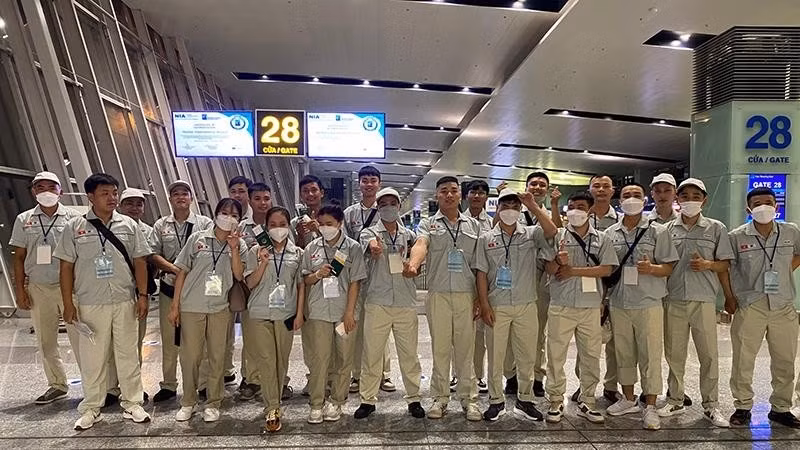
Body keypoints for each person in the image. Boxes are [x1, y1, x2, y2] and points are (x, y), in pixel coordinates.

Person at [54, 173, 152, 430]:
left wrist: (143, 296)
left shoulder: (129, 225)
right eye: (105, 193)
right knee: (93, 358)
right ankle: (91, 408)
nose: (112, 198)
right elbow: (66, 267)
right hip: (90, 301)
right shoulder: (74, 227)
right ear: (90, 197)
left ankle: (132, 402)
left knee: (128, 354)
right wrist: (68, 303)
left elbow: (140, 261)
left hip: (124, 299)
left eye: (114, 193)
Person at [474, 189, 557, 422]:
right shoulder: (486, 239)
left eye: (514, 207)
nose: (509, 211)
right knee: (496, 355)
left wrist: (533, 205)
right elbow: (481, 273)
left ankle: (525, 400)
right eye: (505, 206)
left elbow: (552, 231)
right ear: (497, 209)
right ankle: (496, 401)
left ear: (520, 210)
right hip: (497, 304)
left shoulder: (531, 234)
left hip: (526, 303)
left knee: (527, 355)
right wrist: (484, 304)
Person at [721, 187, 800, 428]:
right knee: (743, 359)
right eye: (757, 204)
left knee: (785, 360)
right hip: (750, 305)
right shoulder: (736, 237)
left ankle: (781, 408)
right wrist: (730, 297)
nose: (763, 207)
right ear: (749, 209)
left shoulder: (791, 231)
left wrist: (785, 272)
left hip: (783, 305)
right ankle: (743, 406)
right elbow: (725, 267)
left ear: (777, 206)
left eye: (768, 202)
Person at [405, 176, 482, 421]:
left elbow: (481, 265)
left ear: (460, 195)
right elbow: (421, 244)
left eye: (453, 191)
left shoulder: (474, 226)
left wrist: (480, 299)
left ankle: (469, 399)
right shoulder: (428, 224)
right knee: (440, 349)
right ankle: (440, 398)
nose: (449, 195)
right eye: (444, 191)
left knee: (466, 350)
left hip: (466, 294)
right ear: (436, 195)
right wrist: (414, 264)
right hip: (438, 294)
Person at [603, 182, 678, 430]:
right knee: (623, 352)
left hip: (648, 301)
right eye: (627, 195)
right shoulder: (610, 233)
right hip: (619, 301)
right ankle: (628, 398)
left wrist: (652, 268)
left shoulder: (658, 231)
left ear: (645, 200)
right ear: (620, 200)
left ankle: (650, 405)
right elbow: (607, 268)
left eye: (636, 195)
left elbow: (669, 267)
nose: (631, 199)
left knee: (650, 354)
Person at [659, 178, 731, 427]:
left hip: (704, 300)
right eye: (685, 196)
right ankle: (675, 399)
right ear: (677, 200)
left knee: (709, 354)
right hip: (674, 299)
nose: (690, 200)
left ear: (704, 200)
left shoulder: (716, 228)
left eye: (696, 196)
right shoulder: (667, 230)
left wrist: (708, 265)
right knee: (674, 353)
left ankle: (711, 405)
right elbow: (662, 264)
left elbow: (725, 264)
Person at [168, 198, 247, 423]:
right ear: (216, 214)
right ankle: (188, 401)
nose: (228, 218)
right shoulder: (197, 239)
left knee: (217, 356)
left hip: (220, 307)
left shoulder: (239, 244)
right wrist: (175, 306)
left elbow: (239, 275)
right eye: (224, 213)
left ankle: (213, 402)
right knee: (191, 356)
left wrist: (234, 248)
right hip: (192, 306)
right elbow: (182, 271)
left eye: (234, 215)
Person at [543, 190, 617, 424]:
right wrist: (557, 261)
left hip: (590, 306)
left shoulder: (602, 238)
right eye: (572, 206)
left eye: (581, 207)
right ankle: (555, 400)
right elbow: (548, 269)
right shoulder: (556, 236)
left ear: (590, 209)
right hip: (561, 304)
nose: (576, 211)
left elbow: (607, 269)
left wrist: (573, 270)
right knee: (556, 355)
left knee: (591, 355)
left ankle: (588, 400)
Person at [9, 171, 81, 404]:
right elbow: (19, 257)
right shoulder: (24, 219)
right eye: (40, 187)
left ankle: (94, 385)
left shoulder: (74, 218)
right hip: (38, 287)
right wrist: (20, 291)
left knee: (80, 337)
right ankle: (57, 384)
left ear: (61, 191)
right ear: (33, 192)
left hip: (70, 287)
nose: (46, 191)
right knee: (45, 340)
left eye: (51, 187)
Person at [353, 188, 425, 419]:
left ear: (399, 207)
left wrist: (412, 268)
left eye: (392, 203)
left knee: (409, 354)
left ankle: (414, 398)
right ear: (377, 208)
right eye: (383, 204)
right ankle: (367, 400)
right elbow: (370, 246)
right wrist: (374, 248)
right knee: (372, 353)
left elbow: (418, 266)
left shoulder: (409, 235)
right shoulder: (369, 232)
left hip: (405, 302)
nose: (388, 207)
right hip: (378, 302)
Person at [300, 203, 367, 424]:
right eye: (321, 224)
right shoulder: (312, 248)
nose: (325, 228)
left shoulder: (353, 248)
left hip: (343, 312)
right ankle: (316, 403)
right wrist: (317, 274)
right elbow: (305, 279)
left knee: (344, 358)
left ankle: (337, 401)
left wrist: (349, 313)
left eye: (329, 223)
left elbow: (355, 282)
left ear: (339, 223)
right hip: (319, 311)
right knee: (319, 359)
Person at [149, 180, 213, 403]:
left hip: (197, 291)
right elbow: (153, 253)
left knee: (201, 339)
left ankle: (203, 384)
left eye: (184, 193)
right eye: (175, 194)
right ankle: (168, 384)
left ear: (191, 198)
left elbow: (211, 252)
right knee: (169, 339)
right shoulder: (161, 225)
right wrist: (175, 269)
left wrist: (189, 273)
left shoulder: (204, 223)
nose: (180, 197)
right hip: (169, 287)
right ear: (170, 199)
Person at [497, 172, 561, 397]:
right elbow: (496, 233)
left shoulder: (546, 213)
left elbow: (555, 234)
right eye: (533, 184)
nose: (537, 187)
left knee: (537, 333)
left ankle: (536, 376)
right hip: (509, 280)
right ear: (526, 186)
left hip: (539, 279)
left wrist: (541, 207)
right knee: (507, 333)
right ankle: (510, 375)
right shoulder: (512, 209)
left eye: (542, 184)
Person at [244, 206, 305, 432]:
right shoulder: (256, 250)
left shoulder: (297, 253)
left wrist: (299, 313)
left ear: (288, 226)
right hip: (259, 312)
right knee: (266, 360)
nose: (278, 229)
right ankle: (272, 407)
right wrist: (262, 262)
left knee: (281, 361)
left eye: (282, 225)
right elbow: (250, 283)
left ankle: (275, 400)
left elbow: (300, 286)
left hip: (285, 313)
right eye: (273, 225)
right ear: (266, 226)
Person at [343, 166, 395, 395]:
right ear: (359, 184)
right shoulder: (350, 213)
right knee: (357, 326)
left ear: (379, 183)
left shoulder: (387, 208)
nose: (369, 184)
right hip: (356, 277)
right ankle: (357, 374)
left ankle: (384, 374)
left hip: (380, 276)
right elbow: (344, 244)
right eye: (365, 180)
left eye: (373, 180)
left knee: (380, 327)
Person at [572, 174, 620, 403]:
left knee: (614, 343)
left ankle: (611, 385)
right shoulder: (578, 217)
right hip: (588, 292)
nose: (601, 189)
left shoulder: (620, 220)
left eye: (606, 186)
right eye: (596, 186)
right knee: (586, 343)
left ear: (612, 191)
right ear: (590, 190)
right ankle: (584, 385)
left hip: (616, 288)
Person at [108, 187, 156, 405]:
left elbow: (150, 259)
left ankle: (133, 386)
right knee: (108, 344)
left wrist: (143, 293)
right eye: (129, 203)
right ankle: (111, 387)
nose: (134, 208)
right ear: (120, 205)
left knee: (134, 342)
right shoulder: (103, 226)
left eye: (139, 204)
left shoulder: (148, 231)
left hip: (135, 292)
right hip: (107, 291)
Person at [236, 181, 273, 400]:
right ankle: (251, 379)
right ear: (249, 200)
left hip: (276, 290)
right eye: (257, 198)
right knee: (251, 337)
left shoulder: (278, 223)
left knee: (275, 338)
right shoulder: (241, 228)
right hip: (250, 289)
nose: (262, 203)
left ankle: (279, 379)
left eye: (266, 198)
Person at [463, 180, 493, 394]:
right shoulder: (458, 220)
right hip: (463, 282)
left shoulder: (492, 223)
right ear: (466, 196)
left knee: (481, 333)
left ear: (486, 198)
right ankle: (458, 374)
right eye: (473, 192)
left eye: (481, 193)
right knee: (461, 333)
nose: (477, 196)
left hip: (484, 282)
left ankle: (478, 375)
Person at [291, 175, 325, 249]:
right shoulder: (294, 224)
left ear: (322, 193)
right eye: (305, 191)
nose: (310, 194)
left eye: (314, 190)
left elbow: (340, 247)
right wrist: (300, 237)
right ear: (301, 196)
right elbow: (292, 252)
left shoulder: (333, 221)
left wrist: (319, 231)